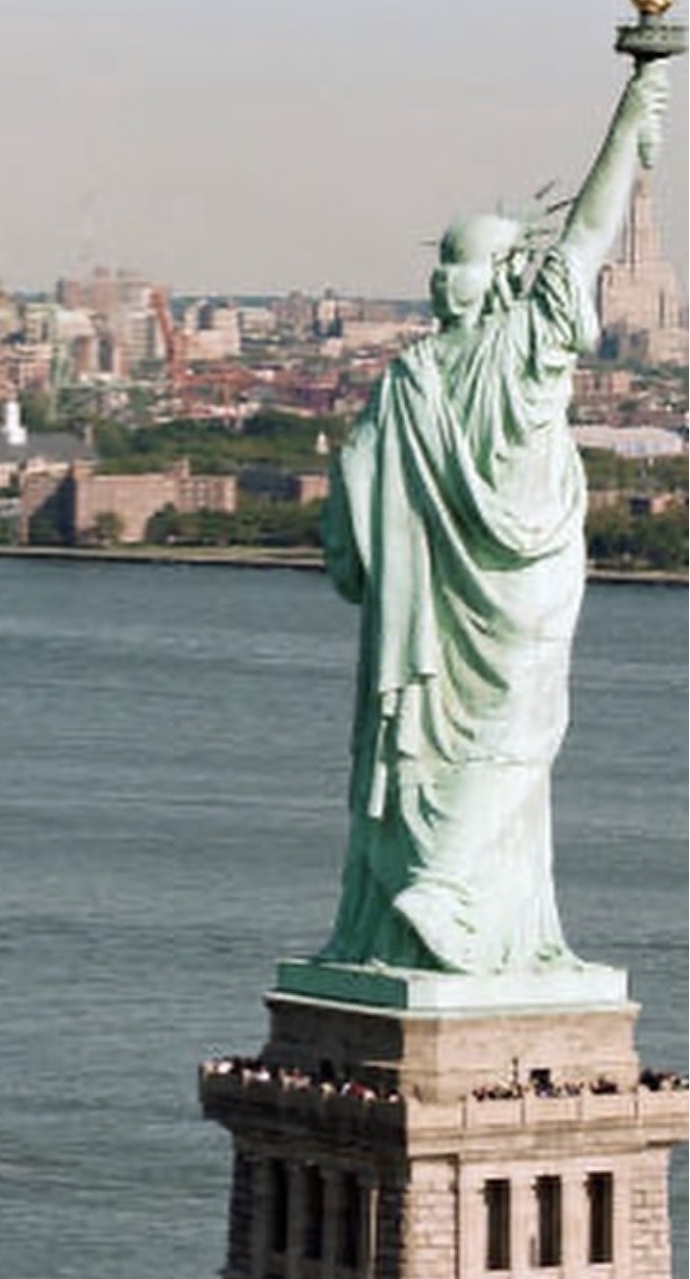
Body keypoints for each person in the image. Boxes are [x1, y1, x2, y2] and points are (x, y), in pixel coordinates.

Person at [317, 61, 671, 975]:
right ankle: (443, 892)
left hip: (434, 601)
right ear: (515, 276)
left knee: (437, 739)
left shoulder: (409, 377)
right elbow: (589, 233)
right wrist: (632, 111)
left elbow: (352, 488)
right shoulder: (523, 344)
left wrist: (358, 549)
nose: (441, 279)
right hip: (524, 586)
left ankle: (404, 909)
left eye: (449, 263)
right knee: (514, 738)